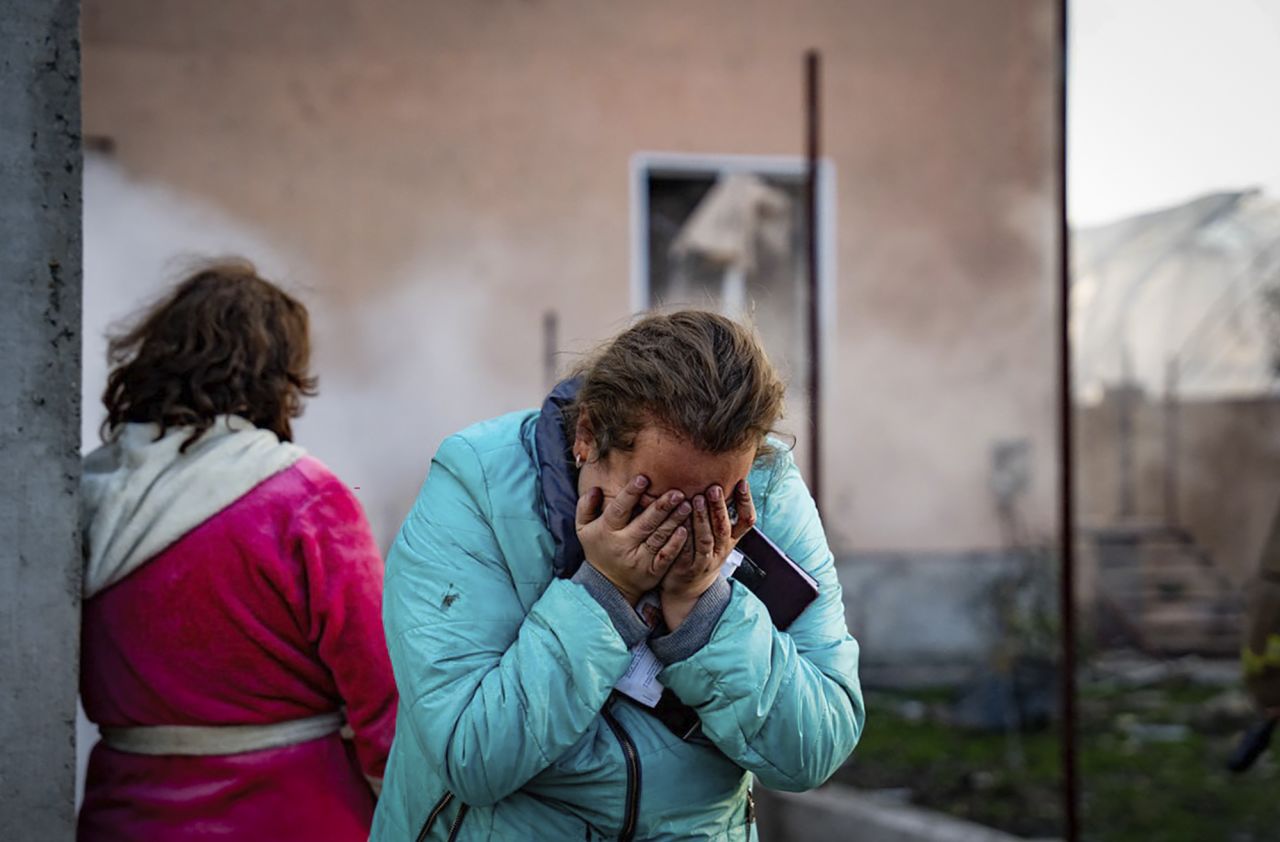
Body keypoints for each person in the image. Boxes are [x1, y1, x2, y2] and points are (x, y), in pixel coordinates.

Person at [373, 311, 864, 841]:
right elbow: (470, 756)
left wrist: (707, 608)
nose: (682, 533)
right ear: (587, 435)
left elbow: (816, 749)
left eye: (712, 505)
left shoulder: (766, 489)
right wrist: (604, 593)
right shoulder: (478, 484)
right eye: (656, 503)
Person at [78, 261, 397, 842]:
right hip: (294, 815)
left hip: (125, 818)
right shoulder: (304, 497)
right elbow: (380, 693)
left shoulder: (83, 496)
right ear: (276, 375)